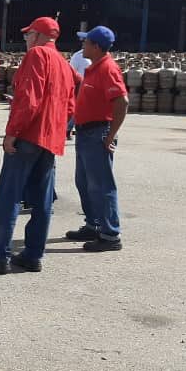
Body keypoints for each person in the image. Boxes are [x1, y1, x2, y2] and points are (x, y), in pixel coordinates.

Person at [0, 17, 79, 274]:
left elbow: (30, 99)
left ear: (38, 35)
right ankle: (33, 254)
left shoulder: (37, 56)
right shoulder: (64, 64)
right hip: (49, 139)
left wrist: (13, 132)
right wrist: (59, 128)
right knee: (42, 200)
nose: (26, 40)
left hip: (29, 135)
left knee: (10, 196)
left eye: (27, 35)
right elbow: (71, 104)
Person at [65, 25, 128, 252]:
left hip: (97, 133)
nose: (82, 45)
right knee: (84, 183)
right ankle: (94, 224)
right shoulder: (94, 68)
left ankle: (110, 234)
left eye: (86, 42)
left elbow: (121, 102)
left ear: (97, 46)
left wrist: (110, 135)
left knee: (101, 186)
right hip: (85, 133)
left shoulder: (108, 69)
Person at [67, 42, 92, 139]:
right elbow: (71, 72)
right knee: (76, 110)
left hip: (89, 87)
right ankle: (67, 129)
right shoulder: (77, 56)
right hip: (80, 87)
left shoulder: (92, 56)